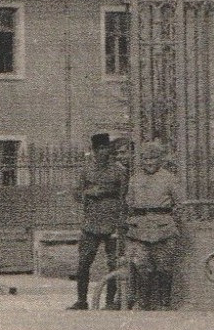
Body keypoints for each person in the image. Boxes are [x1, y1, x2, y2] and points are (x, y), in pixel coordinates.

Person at [70, 132, 128, 311]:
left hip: (112, 221)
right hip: (91, 223)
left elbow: (124, 195)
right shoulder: (85, 170)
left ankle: (110, 301)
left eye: (105, 148)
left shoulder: (119, 170)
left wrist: (120, 218)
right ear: (93, 151)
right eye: (99, 149)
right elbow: (76, 194)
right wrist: (89, 193)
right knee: (84, 261)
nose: (102, 152)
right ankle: (81, 300)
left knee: (113, 262)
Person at [127, 141, 184, 311]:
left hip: (163, 227)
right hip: (140, 228)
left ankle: (164, 302)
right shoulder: (135, 179)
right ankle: (143, 302)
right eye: (145, 159)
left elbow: (180, 203)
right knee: (141, 265)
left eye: (153, 158)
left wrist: (171, 221)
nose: (149, 162)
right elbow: (129, 201)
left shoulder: (169, 178)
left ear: (160, 159)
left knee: (164, 266)